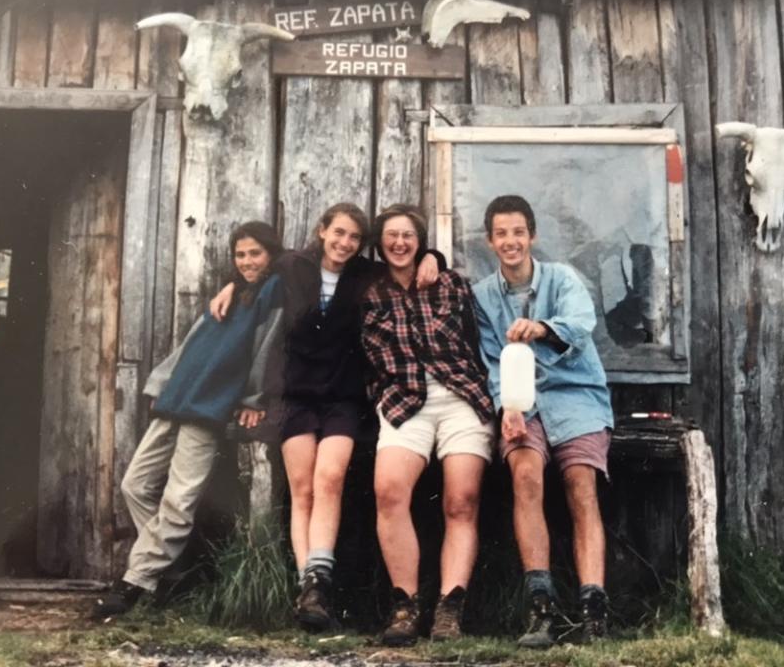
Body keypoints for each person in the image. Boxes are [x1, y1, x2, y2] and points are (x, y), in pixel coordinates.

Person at [210, 203, 442, 631]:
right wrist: (228, 285)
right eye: (338, 233)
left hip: (343, 396)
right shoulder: (292, 266)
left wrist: (434, 257)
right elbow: (252, 270)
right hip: (296, 396)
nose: (344, 243)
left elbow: (409, 264)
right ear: (322, 232)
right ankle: (310, 590)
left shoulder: (365, 275)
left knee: (329, 478)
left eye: (354, 237)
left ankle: (319, 577)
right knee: (302, 488)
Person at [92, 221, 285, 618]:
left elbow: (265, 351)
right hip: (178, 397)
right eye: (241, 254)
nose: (247, 262)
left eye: (256, 254)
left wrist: (251, 399)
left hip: (210, 406)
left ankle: (135, 581)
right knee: (135, 484)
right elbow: (193, 342)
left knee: (179, 499)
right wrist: (161, 383)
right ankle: (175, 570)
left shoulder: (273, 293)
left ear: (271, 254)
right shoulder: (229, 295)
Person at [472, 195, 614, 647]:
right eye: (501, 234)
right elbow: (492, 360)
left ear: (531, 235)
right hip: (520, 402)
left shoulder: (563, 278)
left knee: (580, 484)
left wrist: (542, 328)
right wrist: (507, 407)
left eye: (518, 232)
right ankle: (542, 610)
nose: (510, 241)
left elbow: (581, 321)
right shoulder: (481, 297)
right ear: (490, 240)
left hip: (576, 395)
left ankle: (594, 611)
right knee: (526, 476)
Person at [361, 204, 495, 645]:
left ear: (420, 242)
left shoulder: (451, 283)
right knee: (389, 491)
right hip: (403, 402)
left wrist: (435, 259)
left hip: (459, 397)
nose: (400, 243)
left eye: (409, 236)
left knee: (461, 500)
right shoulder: (369, 292)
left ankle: (449, 609)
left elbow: (479, 343)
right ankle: (405, 606)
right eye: (391, 236)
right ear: (380, 243)